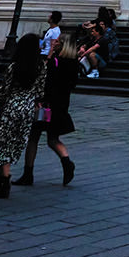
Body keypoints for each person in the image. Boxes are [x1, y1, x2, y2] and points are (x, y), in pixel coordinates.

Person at [0, 35, 47, 198]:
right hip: (28, 109)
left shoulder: (15, 66)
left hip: (11, 107)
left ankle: (3, 181)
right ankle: (2, 177)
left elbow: (4, 89)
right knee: (14, 143)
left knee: (3, 143)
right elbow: (40, 90)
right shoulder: (41, 66)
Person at [21, 32, 81, 187]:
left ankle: (28, 173)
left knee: (33, 137)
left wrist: (40, 100)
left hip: (47, 104)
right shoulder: (74, 63)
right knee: (53, 139)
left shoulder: (56, 62)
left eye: (58, 42)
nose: (55, 43)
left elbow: (47, 84)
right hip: (61, 104)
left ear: (64, 45)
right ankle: (67, 162)